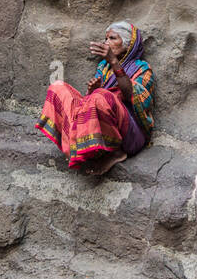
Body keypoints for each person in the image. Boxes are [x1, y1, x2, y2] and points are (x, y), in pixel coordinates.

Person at [36, 20, 153, 176]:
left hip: (130, 134)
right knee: (58, 88)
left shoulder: (142, 68)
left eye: (112, 38)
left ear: (128, 44)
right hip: (103, 122)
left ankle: (116, 153)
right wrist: (92, 91)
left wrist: (113, 62)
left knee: (101, 95)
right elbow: (94, 103)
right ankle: (76, 147)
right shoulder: (103, 67)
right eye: (106, 39)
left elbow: (131, 95)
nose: (107, 43)